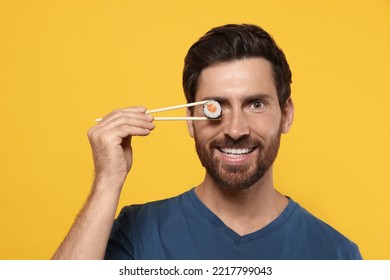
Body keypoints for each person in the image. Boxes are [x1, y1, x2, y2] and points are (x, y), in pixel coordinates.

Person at [52, 24, 362, 260]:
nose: (236, 129)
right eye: (216, 106)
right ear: (190, 119)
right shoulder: (137, 231)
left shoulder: (338, 255)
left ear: (286, 115)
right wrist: (107, 181)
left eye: (255, 104)